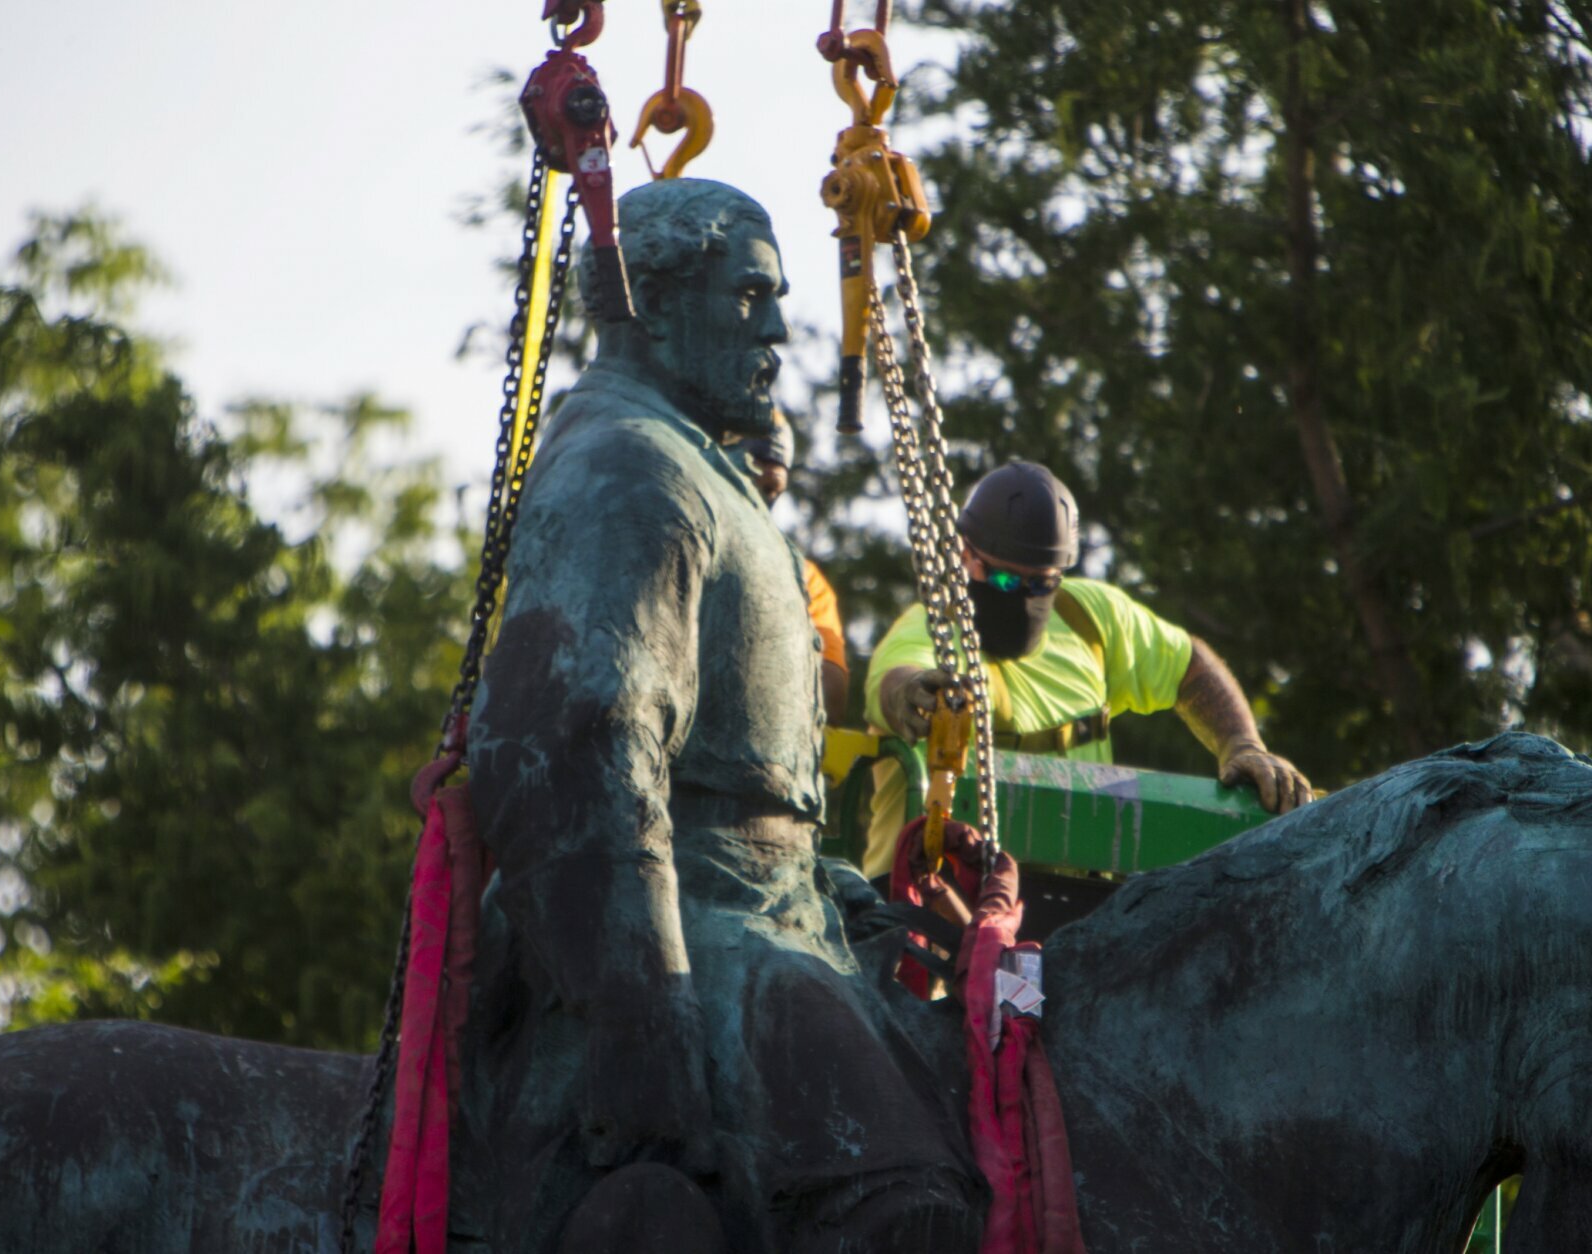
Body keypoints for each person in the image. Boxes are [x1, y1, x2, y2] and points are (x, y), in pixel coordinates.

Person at [460, 178, 979, 1254]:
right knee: (905, 1205)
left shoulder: (694, 466)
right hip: (690, 937)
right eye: (748, 296)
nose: (781, 329)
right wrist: (637, 1010)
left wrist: (851, 906)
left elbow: (745, 787)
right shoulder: (630, 465)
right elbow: (579, 739)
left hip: (771, 916)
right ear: (647, 300)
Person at [862, 460, 1312, 878]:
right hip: (933, 904)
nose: (1024, 596)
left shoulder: (1090, 620)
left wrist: (1241, 743)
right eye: (1004, 580)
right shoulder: (928, 631)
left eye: (1042, 583)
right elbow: (892, 678)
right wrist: (908, 693)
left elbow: (1189, 665)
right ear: (965, 557)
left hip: (1073, 905)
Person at [737, 415, 850, 718]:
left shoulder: (803, 577)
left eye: (771, 488)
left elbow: (832, 690)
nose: (758, 498)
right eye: (745, 478)